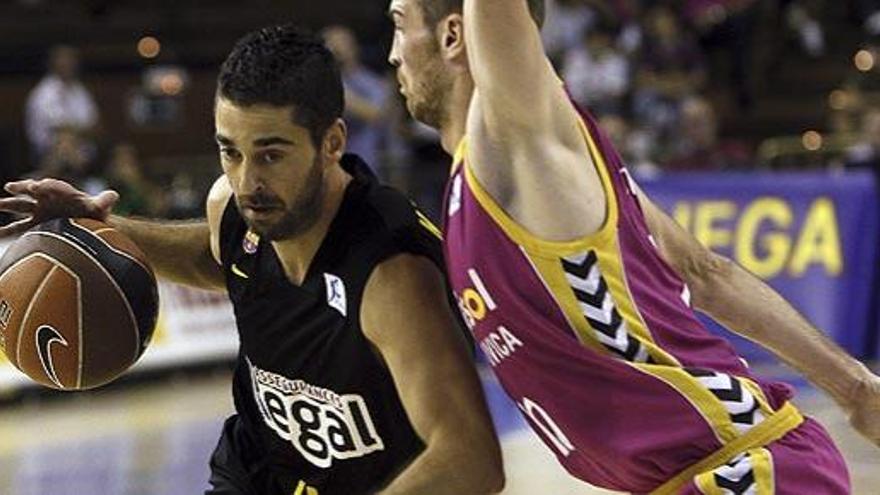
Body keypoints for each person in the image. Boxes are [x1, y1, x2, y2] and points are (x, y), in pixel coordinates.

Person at [386, 0, 880, 493]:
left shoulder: (512, 136)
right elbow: (704, 273)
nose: (391, 54)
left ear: (454, 35)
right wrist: (856, 390)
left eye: (399, 24)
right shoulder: (536, 176)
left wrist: (855, 389)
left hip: (744, 471)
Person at [1, 25, 503, 495]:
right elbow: (219, 256)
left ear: (332, 142)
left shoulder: (390, 274)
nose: (247, 182)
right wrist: (99, 229)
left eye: (270, 154)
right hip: (256, 469)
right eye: (230, 152)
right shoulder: (233, 208)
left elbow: (469, 459)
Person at [25, 45, 99, 162]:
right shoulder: (43, 92)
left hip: (83, 152)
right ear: (53, 63)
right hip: (47, 154)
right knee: (65, 140)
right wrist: (78, 130)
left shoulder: (80, 90)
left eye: (71, 60)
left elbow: (94, 125)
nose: (68, 64)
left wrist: (75, 130)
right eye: (63, 60)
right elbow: (59, 128)